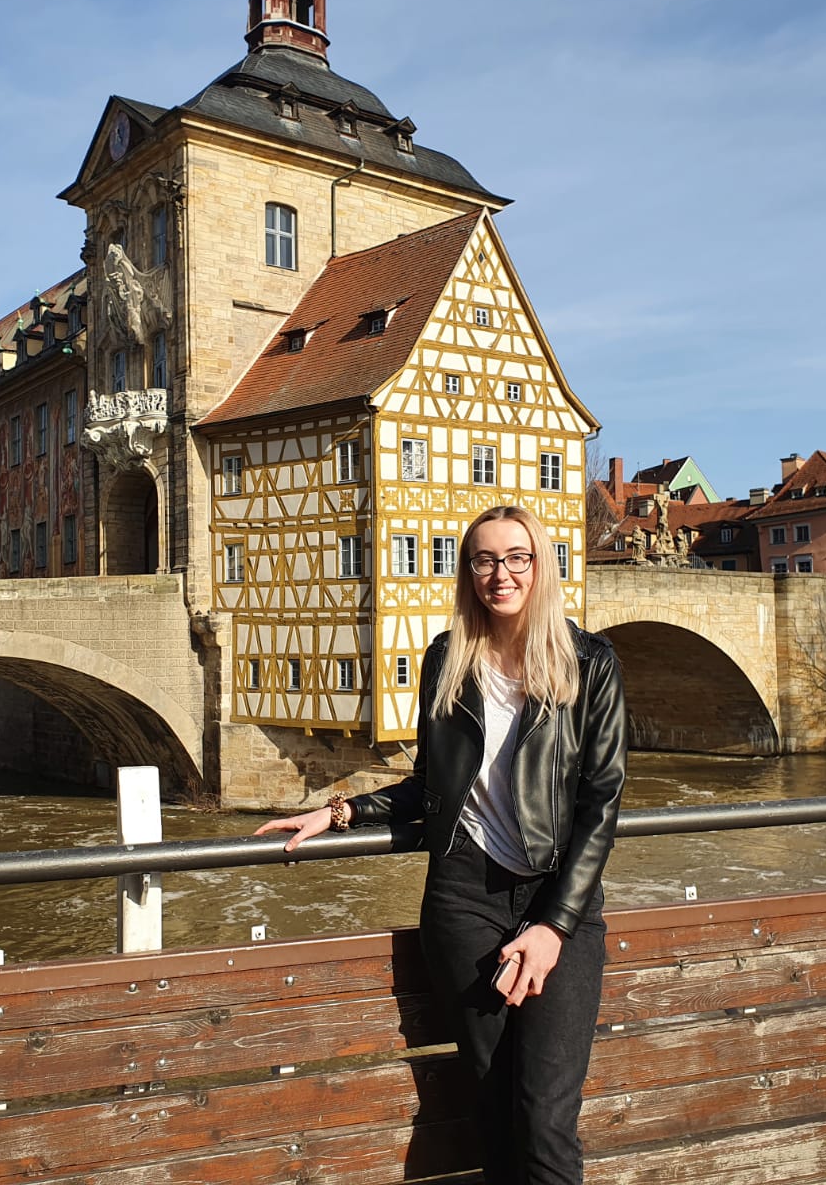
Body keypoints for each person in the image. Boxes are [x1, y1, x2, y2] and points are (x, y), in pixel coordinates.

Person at [257, 504, 626, 1184]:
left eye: (517, 557)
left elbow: (600, 805)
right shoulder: (447, 659)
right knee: (491, 1110)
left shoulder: (591, 663)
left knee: (544, 1118)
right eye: (483, 559)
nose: (500, 573)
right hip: (464, 898)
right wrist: (339, 812)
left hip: (557, 902)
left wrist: (553, 925)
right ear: (468, 572)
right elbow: (431, 787)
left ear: (541, 565)